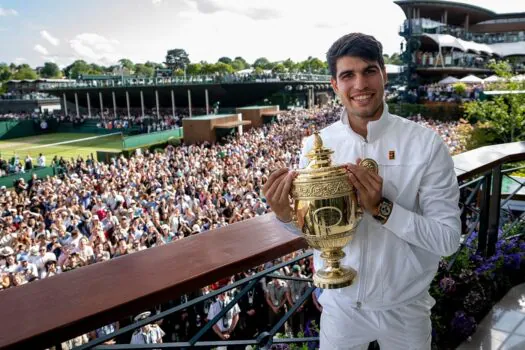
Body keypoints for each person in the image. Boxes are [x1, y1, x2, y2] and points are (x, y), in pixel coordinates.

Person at [262, 32, 461, 349]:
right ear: (334, 85)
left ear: (383, 73)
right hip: (341, 307)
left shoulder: (425, 144)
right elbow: (316, 230)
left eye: (369, 71)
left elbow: (448, 239)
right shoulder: (316, 147)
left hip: (407, 309)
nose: (360, 85)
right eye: (347, 75)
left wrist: (383, 209)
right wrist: (286, 216)